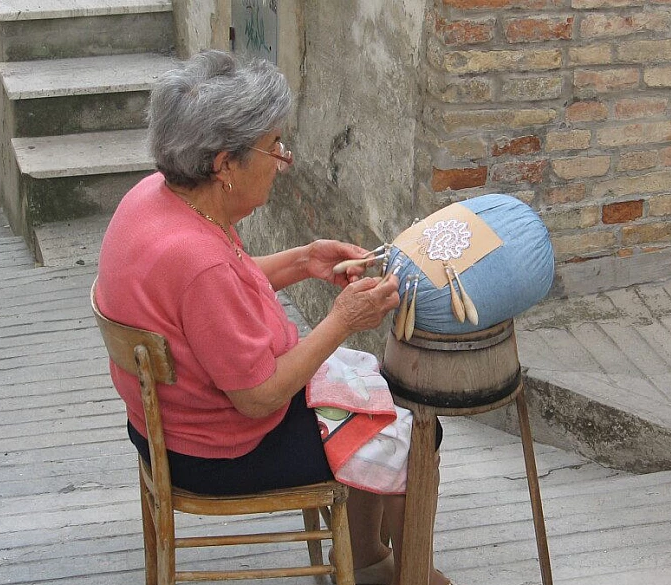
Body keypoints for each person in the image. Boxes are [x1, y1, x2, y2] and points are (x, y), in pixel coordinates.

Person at [95, 51, 447, 585]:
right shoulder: (198, 261)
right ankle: (406, 577)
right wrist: (342, 321)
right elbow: (258, 395)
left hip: (163, 426)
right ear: (223, 164)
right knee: (418, 431)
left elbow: (219, 292)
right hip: (219, 449)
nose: (282, 159)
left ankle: (370, 559)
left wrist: (303, 260)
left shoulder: (156, 198)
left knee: (376, 386)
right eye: (272, 146)